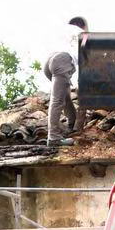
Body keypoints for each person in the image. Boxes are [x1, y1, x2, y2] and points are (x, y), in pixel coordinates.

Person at [44, 16, 89, 147]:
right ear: (83, 26)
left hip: (49, 62)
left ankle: (71, 121)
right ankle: (53, 137)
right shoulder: (83, 34)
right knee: (58, 100)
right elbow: (86, 56)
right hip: (63, 60)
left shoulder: (64, 31)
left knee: (65, 95)